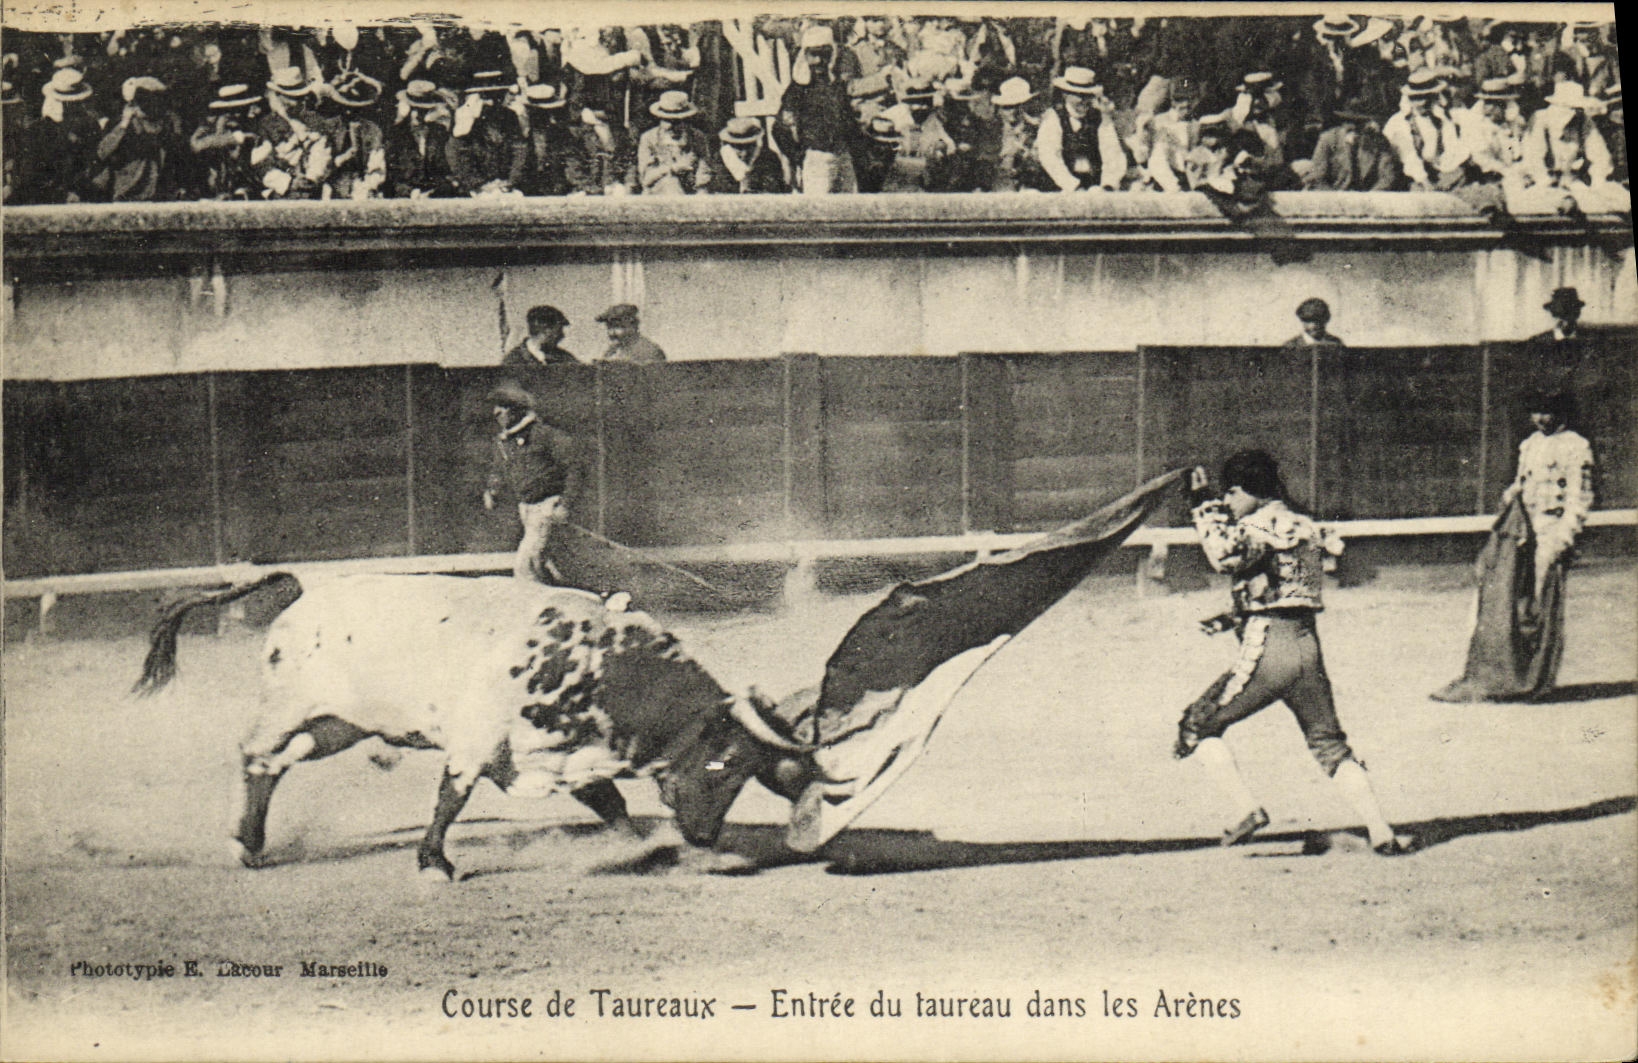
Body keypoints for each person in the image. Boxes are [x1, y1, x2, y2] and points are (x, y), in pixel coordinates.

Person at [1176, 452, 1412, 856]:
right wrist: (1230, 618)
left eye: (1232, 492)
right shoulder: (1305, 524)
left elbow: (1223, 557)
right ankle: (1380, 832)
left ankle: (1246, 810)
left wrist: (1203, 505)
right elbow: (1280, 588)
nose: (1229, 501)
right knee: (1329, 743)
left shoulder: (1255, 524)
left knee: (1196, 726)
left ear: (1252, 490)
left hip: (1268, 649)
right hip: (1307, 647)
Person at [1433, 391, 1595, 703]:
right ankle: (1505, 676)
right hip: (1523, 530)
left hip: (1550, 530)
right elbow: (1524, 482)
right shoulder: (1530, 444)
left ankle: (1535, 681)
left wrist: (1564, 537)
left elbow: (1580, 497)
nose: (1540, 418)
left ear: (1561, 413)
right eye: (1536, 411)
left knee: (1537, 604)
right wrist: (1510, 496)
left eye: (1547, 411)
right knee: (1506, 598)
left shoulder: (1577, 446)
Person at [483, 383, 577, 585]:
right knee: (546, 563)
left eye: (503, 406)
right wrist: (492, 490)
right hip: (525, 509)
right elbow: (499, 469)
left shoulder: (544, 434)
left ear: (517, 410)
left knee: (526, 567)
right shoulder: (504, 441)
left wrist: (565, 505)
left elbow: (575, 468)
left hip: (547, 507)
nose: (496, 412)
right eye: (495, 407)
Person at [1035, 65, 1126, 191]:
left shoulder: (1100, 118)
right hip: (1060, 187)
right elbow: (1049, 157)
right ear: (1065, 94)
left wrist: (1108, 185)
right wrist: (1073, 186)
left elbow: (1113, 153)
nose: (1084, 101)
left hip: (1094, 186)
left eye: (1088, 96)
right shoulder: (1053, 118)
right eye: (1079, 96)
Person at [1303, 97, 1400, 191]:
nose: (1353, 127)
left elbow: (1387, 177)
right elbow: (1317, 177)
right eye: (1349, 122)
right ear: (1342, 122)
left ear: (1367, 123)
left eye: (1359, 123)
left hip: (1366, 198)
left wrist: (1368, 199)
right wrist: (1336, 200)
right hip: (1334, 197)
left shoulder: (1378, 142)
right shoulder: (1328, 139)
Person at [637, 89, 714, 195]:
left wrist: (701, 193)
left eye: (676, 122)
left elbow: (704, 172)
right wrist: (673, 169)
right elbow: (646, 178)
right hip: (657, 192)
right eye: (666, 120)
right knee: (671, 182)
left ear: (684, 120)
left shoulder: (697, 137)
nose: (670, 126)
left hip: (690, 189)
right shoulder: (649, 138)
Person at [503, 305, 580, 393]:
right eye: (559, 330)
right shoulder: (513, 361)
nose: (562, 336)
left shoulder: (565, 358)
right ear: (545, 330)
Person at [714, 116, 788, 194]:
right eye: (738, 147)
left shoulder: (768, 157)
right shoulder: (720, 159)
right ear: (730, 145)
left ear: (755, 143)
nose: (744, 153)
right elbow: (720, 189)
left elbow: (773, 190)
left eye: (748, 146)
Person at [595, 303, 666, 364]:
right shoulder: (612, 350)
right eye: (609, 327)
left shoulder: (648, 351)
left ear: (633, 326)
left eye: (618, 327)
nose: (612, 333)